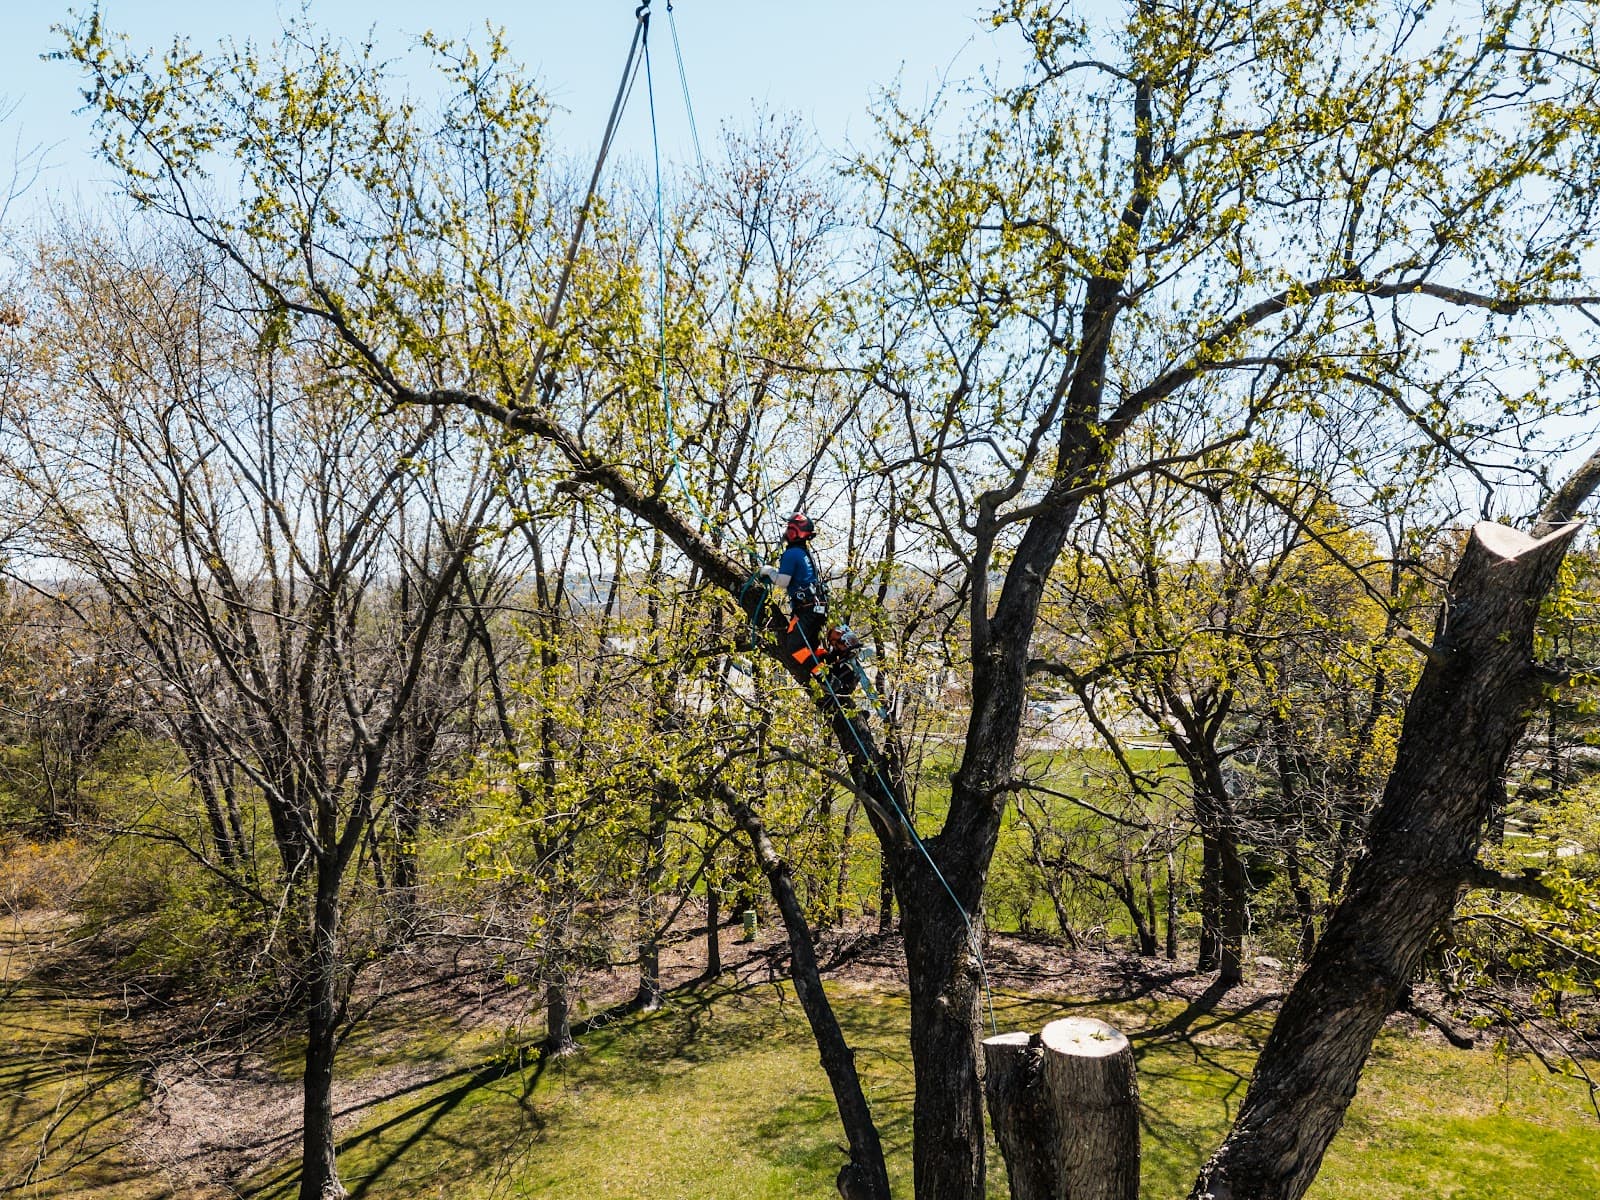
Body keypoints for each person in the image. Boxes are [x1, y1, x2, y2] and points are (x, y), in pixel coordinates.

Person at [759, 511, 862, 692]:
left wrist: (768, 571)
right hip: (816, 607)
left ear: (795, 532)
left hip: (807, 609)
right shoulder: (804, 553)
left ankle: (829, 680)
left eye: (790, 529)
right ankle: (843, 675)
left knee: (795, 647)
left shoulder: (792, 554)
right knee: (812, 648)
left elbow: (782, 581)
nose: (786, 532)